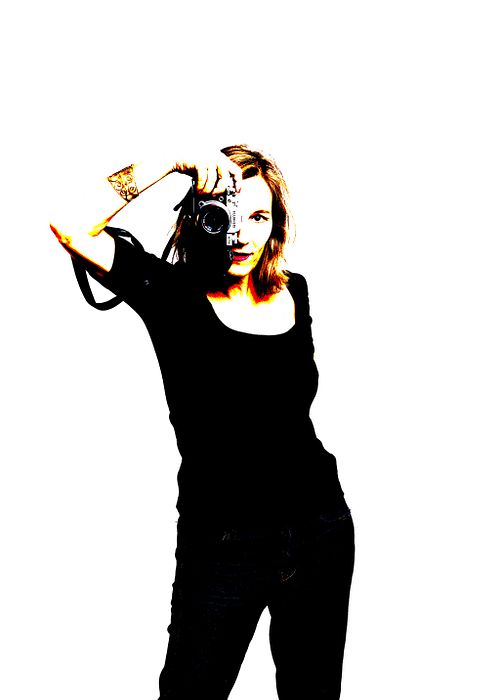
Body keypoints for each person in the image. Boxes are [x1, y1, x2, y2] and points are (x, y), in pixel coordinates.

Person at [50, 145, 355, 699]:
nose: (242, 234)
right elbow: (69, 223)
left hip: (318, 529)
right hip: (223, 541)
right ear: (199, 215)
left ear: (276, 225)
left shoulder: (294, 291)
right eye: (230, 212)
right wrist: (169, 162)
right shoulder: (169, 293)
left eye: (258, 216)